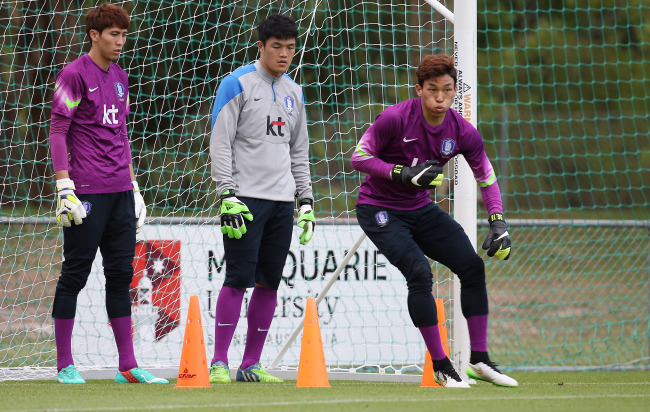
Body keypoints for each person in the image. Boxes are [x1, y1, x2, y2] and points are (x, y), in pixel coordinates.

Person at [350, 54, 518, 388]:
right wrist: (402, 173)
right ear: (419, 89)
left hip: (419, 210)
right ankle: (441, 366)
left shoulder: (461, 130)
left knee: (472, 267)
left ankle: (479, 361)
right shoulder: (396, 118)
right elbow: (359, 157)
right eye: (432, 90)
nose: (439, 98)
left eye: (446, 90)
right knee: (419, 272)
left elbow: (486, 176)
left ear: (454, 90)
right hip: (379, 209)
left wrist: (498, 222)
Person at [49, 3, 167, 384]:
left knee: (120, 277)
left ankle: (128, 367)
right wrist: (63, 186)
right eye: (114, 34)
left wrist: (134, 186)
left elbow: (121, 135)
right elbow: (57, 131)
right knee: (74, 276)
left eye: (124, 35)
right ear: (94, 35)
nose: (120, 41)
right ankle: (65, 365)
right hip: (84, 192)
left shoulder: (120, 76)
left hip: (119, 192)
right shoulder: (73, 75)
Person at [208, 13, 315, 383]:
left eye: (290, 47)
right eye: (277, 47)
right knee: (237, 279)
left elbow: (299, 152)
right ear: (261, 46)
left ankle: (251, 364)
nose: (284, 54)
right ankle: (219, 362)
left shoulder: (295, 92)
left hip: (282, 204)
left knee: (270, 281)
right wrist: (226, 193)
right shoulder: (235, 83)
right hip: (244, 202)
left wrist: (306, 202)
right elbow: (220, 142)